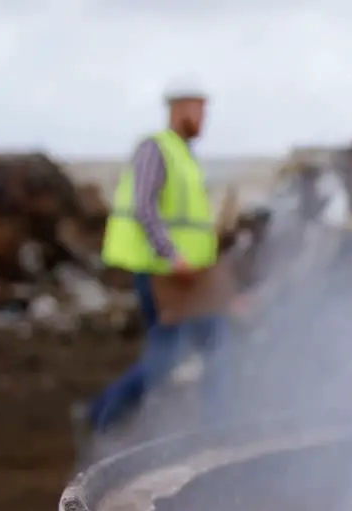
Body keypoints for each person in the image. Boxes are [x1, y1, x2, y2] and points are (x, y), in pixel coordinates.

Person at [77, 77, 243, 445]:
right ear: (179, 108)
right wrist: (171, 255)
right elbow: (144, 206)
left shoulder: (185, 156)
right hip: (164, 277)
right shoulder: (156, 149)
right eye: (199, 109)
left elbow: (194, 227)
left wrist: (222, 287)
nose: (203, 118)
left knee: (217, 348)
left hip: (192, 279)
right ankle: (102, 417)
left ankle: (217, 432)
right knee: (166, 360)